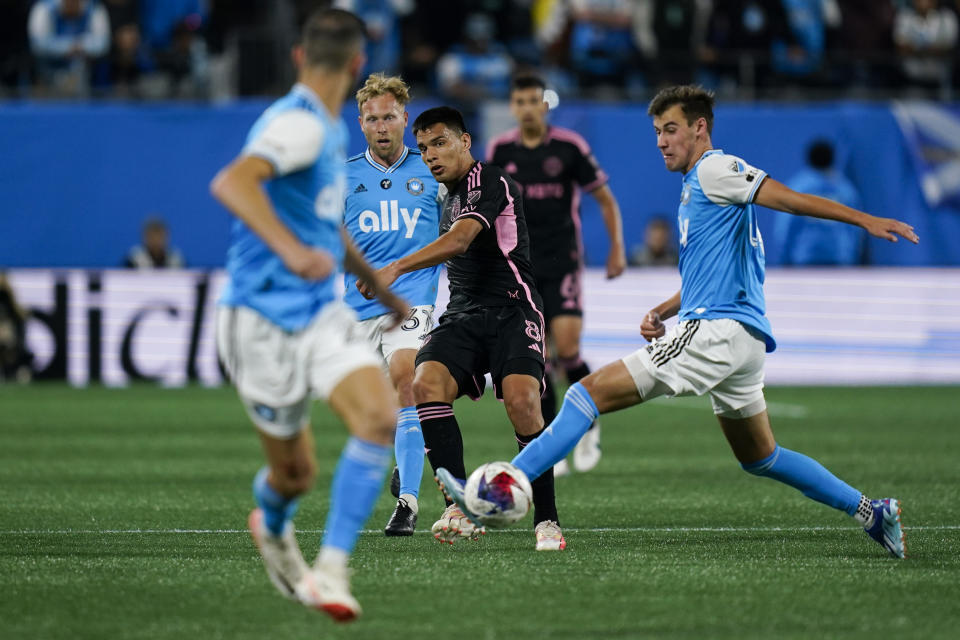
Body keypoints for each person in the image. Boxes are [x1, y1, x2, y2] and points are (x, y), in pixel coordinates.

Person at [439, 85, 918, 559]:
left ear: (699, 128)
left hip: (716, 332)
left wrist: (864, 220)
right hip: (743, 338)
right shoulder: (697, 187)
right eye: (656, 132)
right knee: (762, 457)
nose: (661, 141)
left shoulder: (715, 168)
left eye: (671, 130)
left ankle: (500, 488)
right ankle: (871, 511)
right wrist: (666, 309)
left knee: (584, 394)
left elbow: (787, 198)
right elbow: (714, 270)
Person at [209, 9, 409, 623]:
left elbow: (325, 218)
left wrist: (376, 282)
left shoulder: (326, 125)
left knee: (379, 417)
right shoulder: (298, 125)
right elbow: (233, 183)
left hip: (321, 315)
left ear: (299, 56)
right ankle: (271, 525)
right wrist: (292, 250)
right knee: (293, 476)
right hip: (261, 321)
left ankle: (332, 569)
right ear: (356, 66)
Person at [358, 106, 566, 551]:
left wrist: (392, 269)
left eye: (440, 143)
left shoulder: (490, 181)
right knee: (424, 382)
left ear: (465, 142)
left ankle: (547, 520)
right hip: (464, 314)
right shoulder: (443, 195)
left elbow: (460, 240)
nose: (431, 156)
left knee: (523, 402)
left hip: (514, 310)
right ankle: (456, 504)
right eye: (424, 148)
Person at [487, 74, 626, 476]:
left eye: (534, 100)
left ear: (544, 105)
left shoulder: (569, 147)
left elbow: (604, 198)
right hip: (520, 267)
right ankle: (552, 443)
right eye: (520, 101)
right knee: (539, 357)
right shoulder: (501, 149)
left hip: (562, 261)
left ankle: (591, 423)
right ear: (513, 107)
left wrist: (617, 248)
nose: (528, 107)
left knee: (567, 350)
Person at [342, 72, 442, 537]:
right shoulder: (344, 177)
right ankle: (405, 457)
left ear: (405, 119)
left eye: (389, 117)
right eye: (372, 118)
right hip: (356, 311)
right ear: (360, 124)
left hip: (414, 301)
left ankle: (408, 503)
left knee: (408, 380)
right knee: (372, 416)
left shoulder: (433, 171)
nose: (381, 126)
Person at [773, 139, 866, 266]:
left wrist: (784, 257)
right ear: (833, 159)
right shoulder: (845, 189)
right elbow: (857, 226)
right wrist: (854, 255)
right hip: (838, 257)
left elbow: (785, 225)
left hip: (805, 256)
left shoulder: (798, 187)